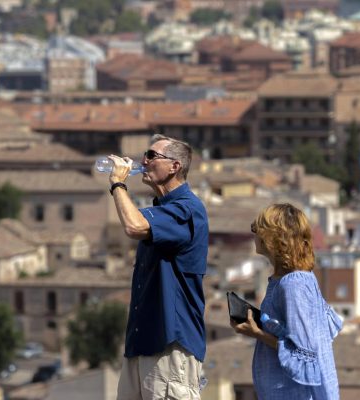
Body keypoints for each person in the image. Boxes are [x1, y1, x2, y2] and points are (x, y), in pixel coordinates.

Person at [108, 134, 208, 400]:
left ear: (175, 166)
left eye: (152, 156)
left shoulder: (186, 210)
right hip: (142, 344)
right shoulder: (162, 210)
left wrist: (118, 183)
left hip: (169, 346)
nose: (144, 161)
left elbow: (134, 226)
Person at [231, 203, 342, 400]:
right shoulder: (291, 279)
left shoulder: (293, 285)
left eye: (257, 228)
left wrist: (256, 333)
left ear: (273, 237)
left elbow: (306, 356)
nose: (253, 233)